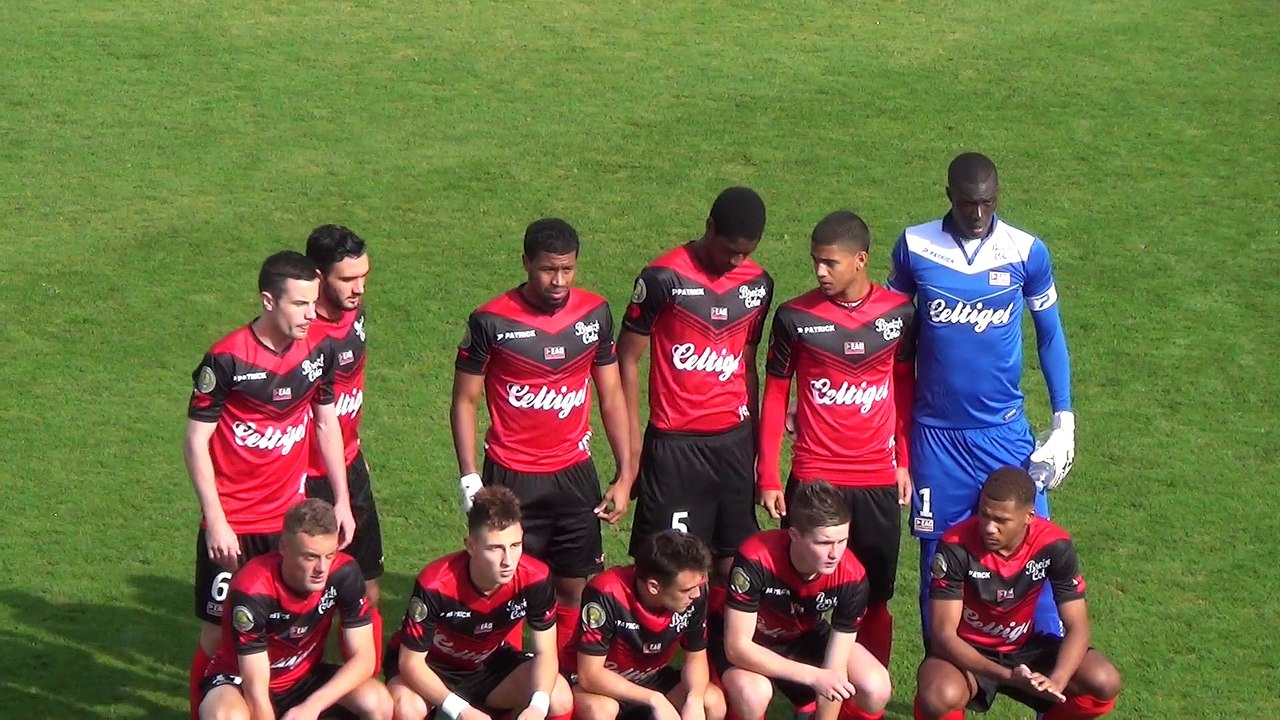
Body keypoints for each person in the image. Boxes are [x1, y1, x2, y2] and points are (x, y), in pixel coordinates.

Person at [888, 152, 1076, 641]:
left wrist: (1064, 421)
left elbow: (1050, 335)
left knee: (1036, 549)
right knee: (937, 560)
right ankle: (943, 686)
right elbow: (887, 329)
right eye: (968, 203)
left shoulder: (1026, 251)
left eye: (987, 204)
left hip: (1003, 433)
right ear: (949, 194)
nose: (977, 215)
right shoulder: (914, 246)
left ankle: (1051, 673)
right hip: (936, 438)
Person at [451, 218, 635, 655]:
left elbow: (610, 395)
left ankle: (565, 679)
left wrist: (626, 473)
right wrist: (469, 478)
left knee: (573, 585)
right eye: (548, 270)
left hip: (574, 476)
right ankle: (506, 678)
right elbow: (465, 401)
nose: (559, 281)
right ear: (526, 264)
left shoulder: (594, 314)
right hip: (512, 477)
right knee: (506, 587)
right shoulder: (490, 322)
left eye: (568, 269)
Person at [185, 250, 357, 715]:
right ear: (268, 301)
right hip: (234, 525)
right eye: (300, 305)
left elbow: (326, 424)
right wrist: (216, 520)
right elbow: (195, 442)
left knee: (285, 617)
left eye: (313, 302)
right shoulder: (225, 360)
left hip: (288, 520)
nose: (310, 314)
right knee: (215, 631)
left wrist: (341, 500)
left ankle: (278, 696)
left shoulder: (318, 352)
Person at [756, 210, 915, 669]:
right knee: (798, 594)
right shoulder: (794, 318)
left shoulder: (899, 315)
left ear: (861, 260)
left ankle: (866, 702)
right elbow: (775, 397)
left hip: (876, 479)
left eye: (830, 263)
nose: (820, 272)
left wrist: (903, 461)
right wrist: (769, 475)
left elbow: (904, 387)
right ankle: (802, 688)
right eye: (815, 262)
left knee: (876, 595)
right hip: (814, 476)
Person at [618, 187, 774, 578]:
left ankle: (723, 643)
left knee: (733, 568)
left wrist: (755, 448)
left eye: (747, 252)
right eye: (730, 249)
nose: (736, 260)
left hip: (733, 445)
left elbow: (748, 363)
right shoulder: (661, 279)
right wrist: (634, 455)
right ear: (709, 228)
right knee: (668, 570)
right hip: (675, 447)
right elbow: (626, 359)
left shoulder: (758, 284)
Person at [914, 467, 1121, 719]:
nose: (989, 527)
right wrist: (1008, 677)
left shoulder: (1055, 545)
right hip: (967, 649)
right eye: (984, 515)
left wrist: (1056, 680)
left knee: (1104, 680)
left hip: (1024, 647)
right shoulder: (955, 545)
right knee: (938, 694)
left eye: (1001, 520)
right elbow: (943, 636)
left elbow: (1078, 625)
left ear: (1029, 517)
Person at [385, 486, 574, 720]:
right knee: (406, 708)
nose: (508, 561)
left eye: (515, 546)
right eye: (495, 548)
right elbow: (410, 663)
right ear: (471, 546)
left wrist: (537, 705)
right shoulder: (436, 583)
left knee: (558, 694)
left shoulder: (535, 578)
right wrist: (460, 710)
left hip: (486, 666)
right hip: (430, 666)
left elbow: (545, 652)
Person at [196, 498, 391, 720]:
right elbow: (256, 689)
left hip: (302, 677)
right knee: (226, 716)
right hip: (239, 681)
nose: (322, 568)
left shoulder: (344, 573)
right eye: (310, 557)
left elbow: (364, 659)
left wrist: (312, 706)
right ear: (283, 548)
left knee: (377, 702)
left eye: (329, 555)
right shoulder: (253, 591)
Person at [714, 481, 890, 720]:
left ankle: (811, 712)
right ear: (794, 535)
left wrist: (823, 685)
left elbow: (834, 669)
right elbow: (737, 648)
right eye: (824, 542)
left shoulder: (852, 576)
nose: (834, 554)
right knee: (754, 693)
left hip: (800, 635)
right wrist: (812, 676)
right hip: (750, 639)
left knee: (876, 687)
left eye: (842, 541)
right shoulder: (757, 557)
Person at [303, 225, 386, 671]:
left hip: (351, 468)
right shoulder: (296, 336)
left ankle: (366, 683)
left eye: (364, 276)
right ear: (317, 278)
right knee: (309, 596)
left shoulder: (356, 317)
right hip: (303, 481)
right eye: (347, 280)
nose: (358, 288)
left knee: (369, 586)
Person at [570, 530, 725, 720]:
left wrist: (694, 699)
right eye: (686, 590)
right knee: (601, 710)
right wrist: (654, 699)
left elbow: (695, 657)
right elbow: (589, 675)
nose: (696, 595)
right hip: (601, 688)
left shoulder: (694, 593)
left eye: (698, 585)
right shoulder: (607, 593)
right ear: (653, 586)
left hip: (651, 680)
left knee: (711, 701)